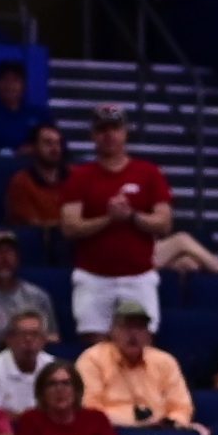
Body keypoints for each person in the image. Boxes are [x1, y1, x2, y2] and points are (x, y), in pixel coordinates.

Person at [60, 104, 173, 334]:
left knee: (140, 343)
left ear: (125, 132)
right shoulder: (80, 176)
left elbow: (164, 223)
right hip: (93, 277)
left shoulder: (148, 173)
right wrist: (108, 219)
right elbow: (69, 227)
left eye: (114, 128)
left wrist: (131, 216)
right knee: (94, 344)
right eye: (102, 129)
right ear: (93, 135)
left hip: (138, 276)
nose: (109, 135)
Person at [74, 300, 194, 431]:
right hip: (111, 431)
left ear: (148, 334)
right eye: (126, 327)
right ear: (112, 331)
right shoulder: (92, 359)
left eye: (140, 327)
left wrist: (171, 423)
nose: (133, 334)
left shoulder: (165, 361)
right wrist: (136, 422)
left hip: (160, 431)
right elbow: (89, 409)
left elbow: (182, 407)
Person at [15, 360, 123, 435]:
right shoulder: (31, 419)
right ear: (42, 392)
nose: (59, 390)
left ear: (76, 390)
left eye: (66, 383)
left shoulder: (97, 419)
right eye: (52, 384)